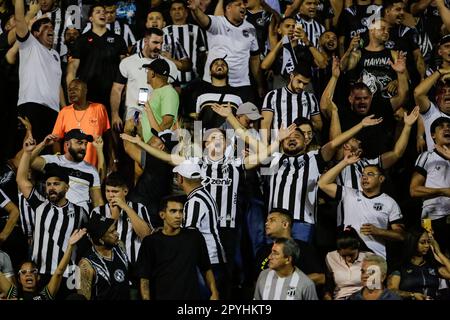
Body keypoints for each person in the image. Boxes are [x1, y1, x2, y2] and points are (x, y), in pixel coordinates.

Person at [16, 136, 88, 299]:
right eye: (48, 185)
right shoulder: (40, 205)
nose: (51, 188)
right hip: (41, 273)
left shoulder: (80, 212)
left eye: (56, 184)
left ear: (67, 187)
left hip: (69, 275)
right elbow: (21, 179)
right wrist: (29, 151)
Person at [318, 154, 405, 258]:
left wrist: (379, 231)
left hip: (375, 257)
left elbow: (401, 235)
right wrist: (344, 163)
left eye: (370, 174)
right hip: (348, 257)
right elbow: (323, 183)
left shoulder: (389, 202)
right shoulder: (349, 194)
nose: (364, 177)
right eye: (363, 175)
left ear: (381, 179)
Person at [136, 194, 219, 300]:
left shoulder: (194, 237)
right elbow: (144, 278)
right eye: (173, 211)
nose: (178, 216)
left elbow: (206, 268)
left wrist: (214, 292)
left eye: (181, 211)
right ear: (162, 215)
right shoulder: (150, 242)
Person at [188, 0, 264, 102]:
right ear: (228, 8)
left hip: (241, 85)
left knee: (242, 118)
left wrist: (260, 85)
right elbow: (203, 19)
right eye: (238, 4)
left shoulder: (250, 28)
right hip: (213, 82)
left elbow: (255, 59)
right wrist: (195, 9)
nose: (243, 7)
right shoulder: (217, 23)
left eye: (244, 4)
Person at [110, 27, 178, 134]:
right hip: (133, 115)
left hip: (159, 116)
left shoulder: (170, 65)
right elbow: (117, 90)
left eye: (161, 43)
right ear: (145, 41)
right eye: (155, 42)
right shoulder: (128, 63)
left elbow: (175, 91)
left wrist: (174, 117)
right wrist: (115, 114)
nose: (159, 47)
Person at [15, 0, 63, 145]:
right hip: (32, 105)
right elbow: (19, 20)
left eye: (52, 27)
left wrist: (64, 109)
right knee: (28, 150)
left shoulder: (55, 55)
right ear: (35, 33)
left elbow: (57, 84)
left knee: (46, 156)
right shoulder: (29, 44)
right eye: (46, 27)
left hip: (53, 110)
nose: (51, 29)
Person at [67, 4, 127, 109]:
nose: (103, 14)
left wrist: (125, 88)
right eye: (98, 12)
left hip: (112, 95)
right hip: (87, 95)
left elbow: (125, 67)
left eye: (104, 12)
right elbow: (72, 67)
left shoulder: (118, 40)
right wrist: (71, 90)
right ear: (91, 18)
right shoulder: (81, 40)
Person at [0, 228, 86, 300]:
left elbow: (59, 272)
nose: (28, 274)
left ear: (38, 277)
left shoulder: (44, 295)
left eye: (32, 271)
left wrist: (70, 246)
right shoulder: (14, 295)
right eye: (23, 272)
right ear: (19, 279)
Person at [31, 129, 104, 212]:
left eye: (85, 144)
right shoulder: (53, 161)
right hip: (56, 218)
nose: (84, 147)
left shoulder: (91, 170)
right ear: (67, 144)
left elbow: (98, 201)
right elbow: (27, 162)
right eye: (79, 143)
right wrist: (42, 145)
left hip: (81, 221)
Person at [91, 172, 152, 268]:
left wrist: (126, 208)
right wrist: (114, 215)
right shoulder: (98, 211)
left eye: (115, 192)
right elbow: (96, 241)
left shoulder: (139, 208)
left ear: (125, 191)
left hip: (133, 266)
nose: (110, 195)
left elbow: (147, 236)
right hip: (107, 266)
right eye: (108, 191)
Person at [410, 117, 450, 254]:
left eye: (449, 126)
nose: (447, 128)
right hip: (431, 219)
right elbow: (414, 190)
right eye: (441, 127)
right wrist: (443, 191)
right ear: (432, 135)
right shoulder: (427, 157)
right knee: (434, 258)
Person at [255, 209, 325, 286]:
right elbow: (256, 281)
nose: (266, 223)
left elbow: (321, 277)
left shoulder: (304, 248)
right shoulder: (262, 251)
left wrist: (289, 282)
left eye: (272, 220)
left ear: (285, 224)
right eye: (267, 220)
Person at [52, 79, 111, 168]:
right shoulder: (64, 112)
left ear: (85, 91)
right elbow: (56, 139)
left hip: (94, 167)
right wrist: (59, 159)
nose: (72, 92)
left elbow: (107, 136)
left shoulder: (99, 108)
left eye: (76, 88)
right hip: (69, 168)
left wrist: (113, 159)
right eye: (69, 90)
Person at [261, 63, 322, 144]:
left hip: (302, 147)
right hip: (279, 146)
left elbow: (319, 124)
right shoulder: (273, 96)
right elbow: (265, 126)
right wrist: (265, 149)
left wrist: (305, 124)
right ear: (291, 76)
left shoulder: (310, 98)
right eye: (299, 81)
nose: (301, 86)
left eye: (305, 84)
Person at [388, 227, 450, 300]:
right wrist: (412, 295)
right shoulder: (400, 267)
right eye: (422, 242)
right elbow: (391, 291)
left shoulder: (432, 265)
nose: (427, 245)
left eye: (428, 242)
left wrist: (438, 252)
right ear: (412, 242)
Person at [78, 214, 130, 300]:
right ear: (101, 240)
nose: (117, 233)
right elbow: (82, 298)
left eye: (115, 229)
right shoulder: (84, 265)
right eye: (112, 232)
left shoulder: (120, 245)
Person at [254, 237, 318, 300]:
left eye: (275, 253)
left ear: (288, 259)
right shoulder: (263, 275)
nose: (269, 257)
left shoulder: (306, 284)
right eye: (271, 252)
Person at [192, 56, 243, 129]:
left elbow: (242, 120)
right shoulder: (200, 93)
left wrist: (240, 140)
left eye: (223, 64)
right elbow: (197, 120)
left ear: (228, 72)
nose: (220, 65)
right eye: (216, 64)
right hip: (208, 138)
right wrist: (197, 139)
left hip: (231, 139)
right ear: (209, 72)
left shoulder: (238, 93)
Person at [324, 226, 373, 300]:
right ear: (338, 251)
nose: (348, 258)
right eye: (343, 256)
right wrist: (327, 295)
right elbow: (329, 283)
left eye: (351, 255)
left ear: (358, 247)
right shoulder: (331, 257)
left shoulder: (369, 257)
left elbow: (374, 286)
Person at [141, 59, 179, 143]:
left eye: (148, 71)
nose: (147, 73)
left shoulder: (168, 92)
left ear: (152, 73)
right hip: (149, 146)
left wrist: (151, 143)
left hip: (156, 147)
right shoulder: (156, 91)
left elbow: (167, 122)